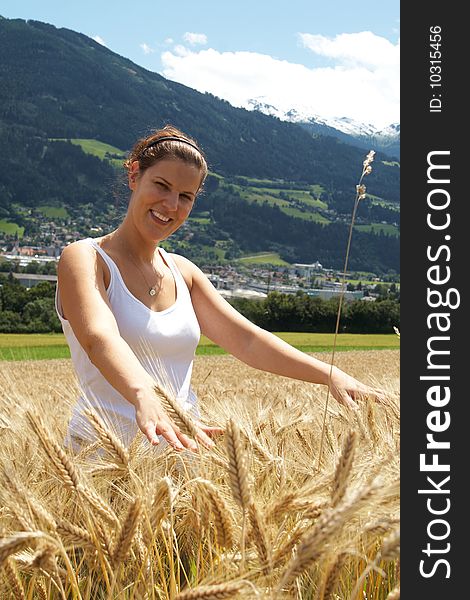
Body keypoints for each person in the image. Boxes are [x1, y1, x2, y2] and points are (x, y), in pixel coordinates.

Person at [55, 124, 384, 452]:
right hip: (99, 457)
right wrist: (144, 394)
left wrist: (329, 374)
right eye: (162, 185)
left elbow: (248, 341)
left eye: (185, 196)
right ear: (134, 176)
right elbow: (99, 339)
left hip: (183, 460)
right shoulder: (85, 258)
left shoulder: (184, 273)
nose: (171, 205)